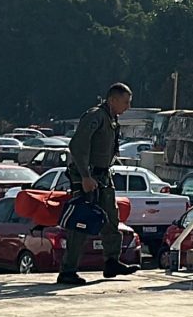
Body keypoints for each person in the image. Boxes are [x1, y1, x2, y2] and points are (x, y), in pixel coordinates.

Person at [58, 82, 138, 285]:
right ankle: (68, 271)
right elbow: (77, 145)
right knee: (81, 221)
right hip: (88, 176)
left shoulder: (112, 119)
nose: (128, 107)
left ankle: (112, 261)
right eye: (125, 102)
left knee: (111, 219)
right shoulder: (96, 116)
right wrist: (85, 176)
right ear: (112, 100)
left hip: (102, 177)